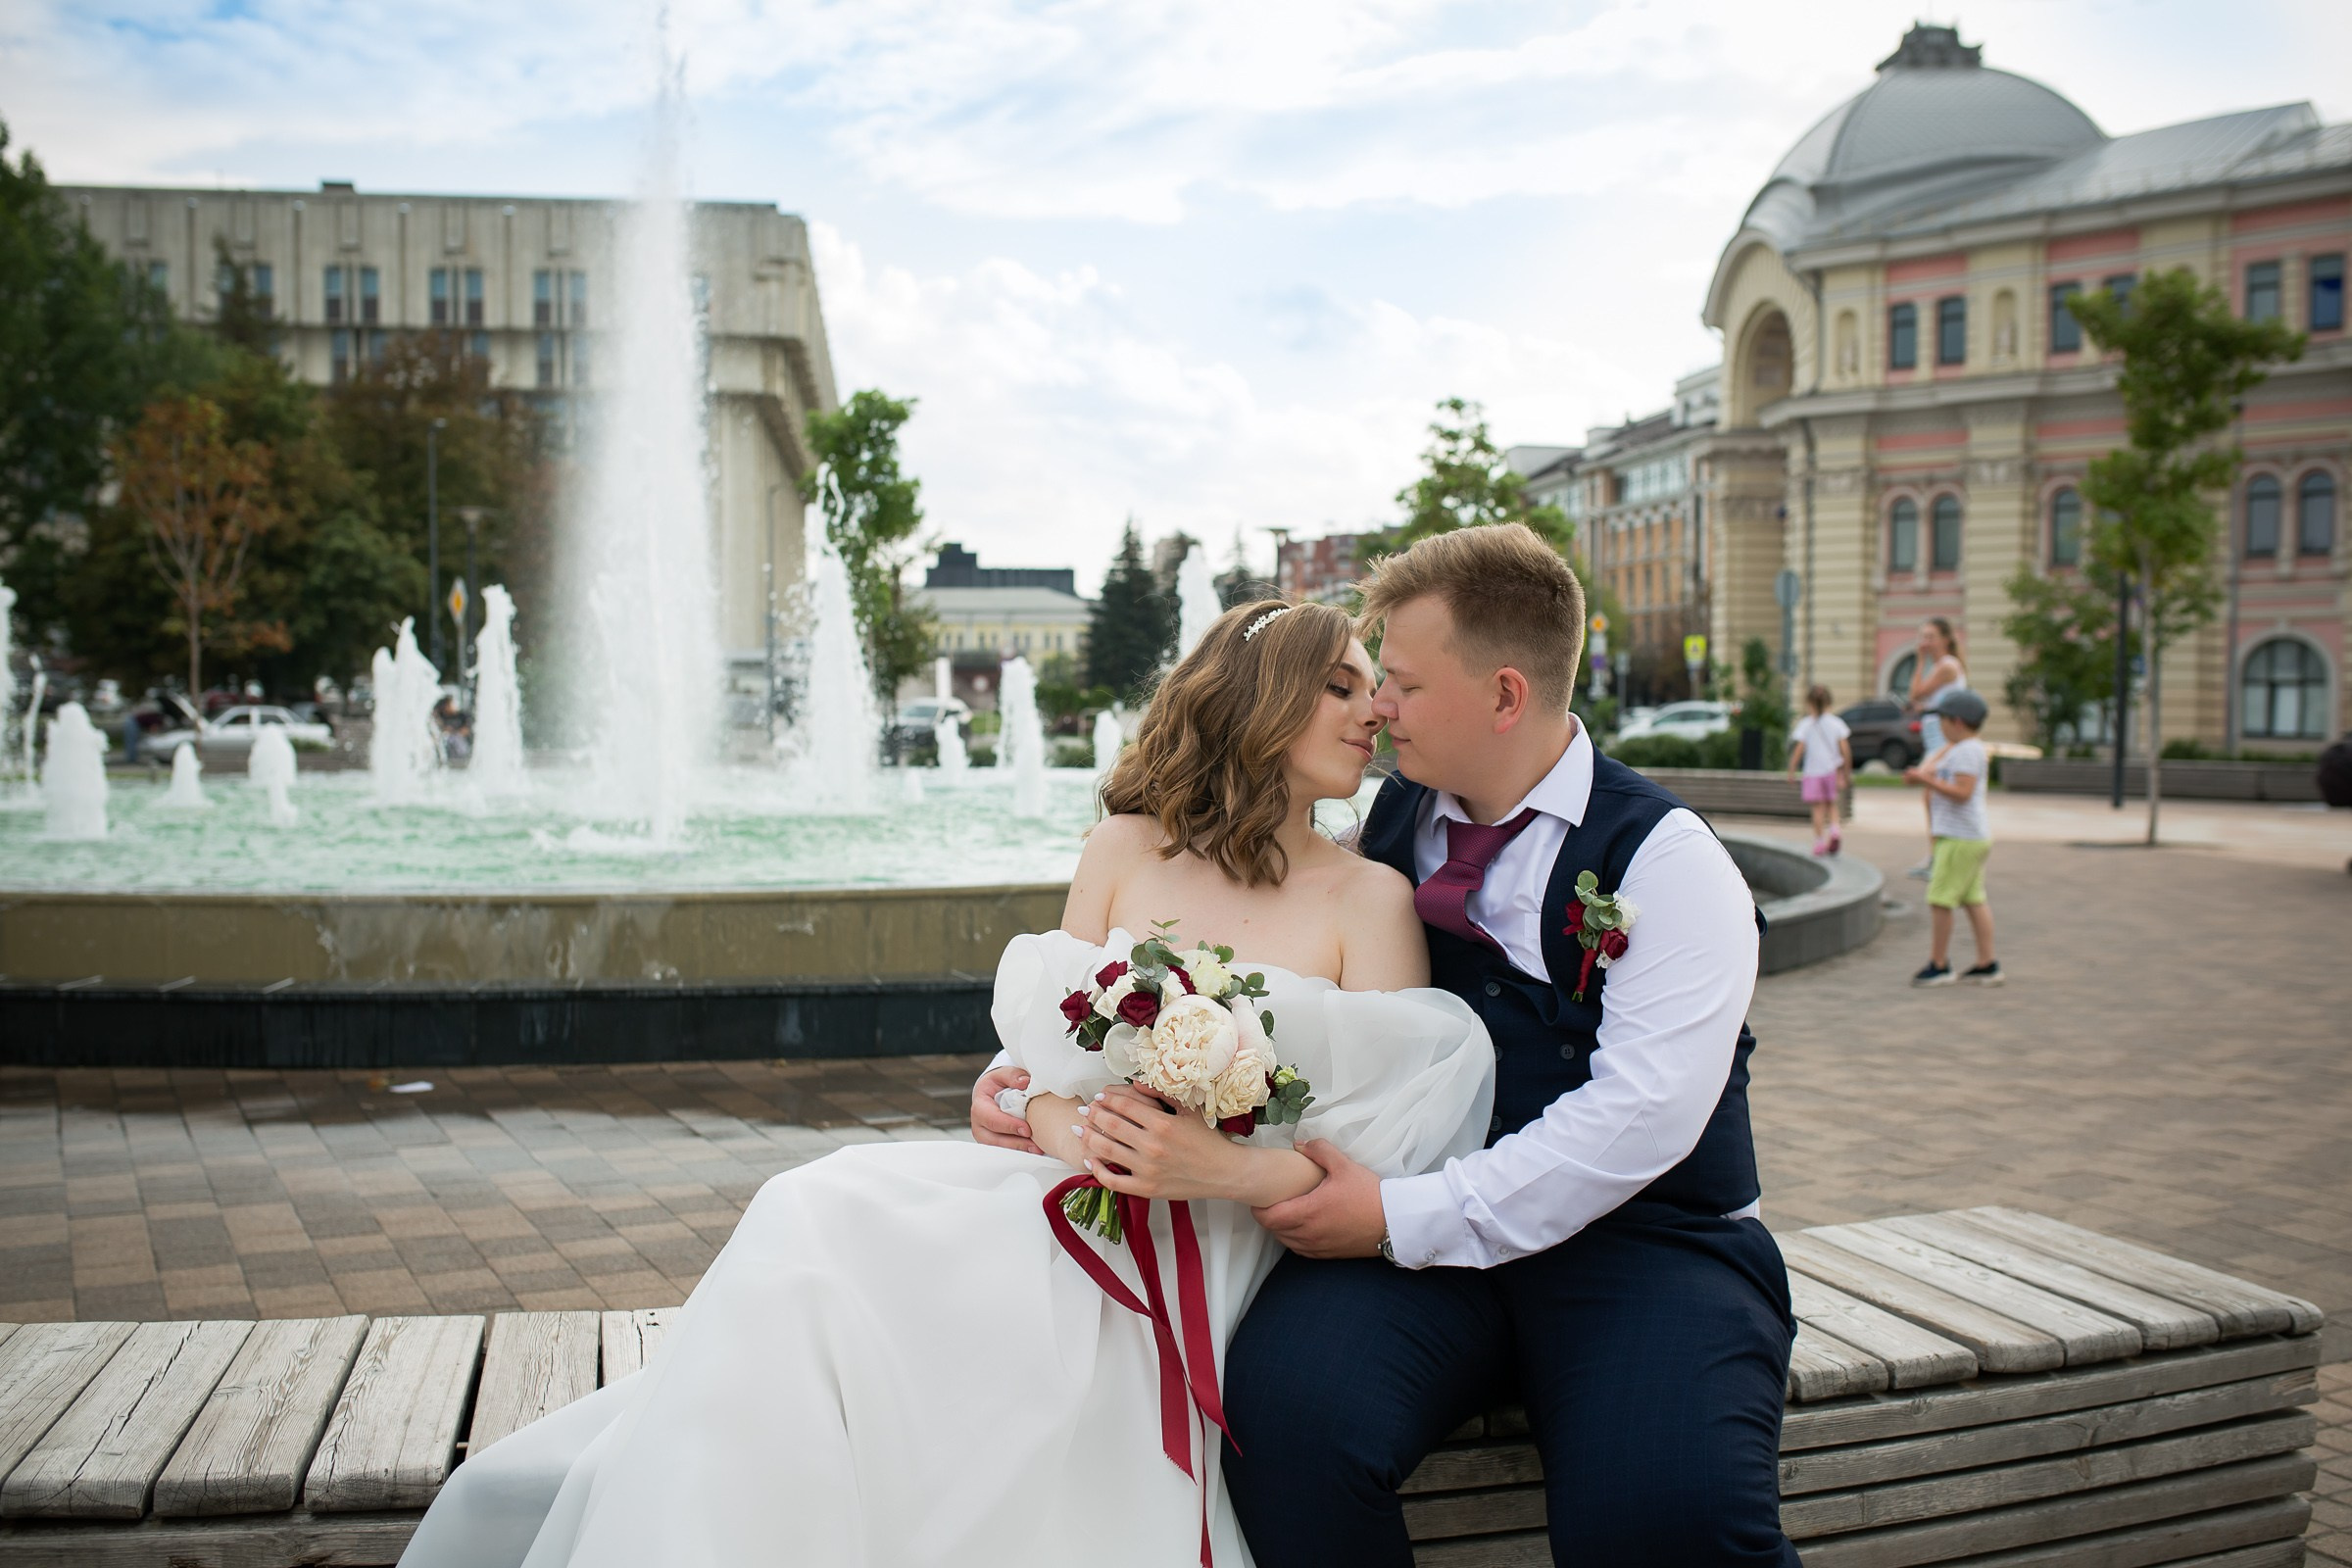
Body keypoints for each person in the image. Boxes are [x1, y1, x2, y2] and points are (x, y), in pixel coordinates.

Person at [398, 599, 1495, 1568]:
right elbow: (1047, 1066)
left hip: (1215, 1244)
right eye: (1341, 685)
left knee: (910, 1320)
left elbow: (1387, 1151)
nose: (1374, 713)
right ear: (1259, 698)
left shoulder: (1371, 900)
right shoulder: (1121, 848)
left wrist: (1218, 1166)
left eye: (1375, 688)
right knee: (813, 1212)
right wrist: (1051, 1121)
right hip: (1069, 1191)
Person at [981, 524, 1798, 1565]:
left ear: (1504, 696)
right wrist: (1025, 1087)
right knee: (1285, 1425)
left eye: (1399, 682)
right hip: (1419, 1248)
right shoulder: (1393, 824)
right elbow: (1235, 963)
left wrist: (1395, 1212)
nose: (1378, 706)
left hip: (1641, 1245)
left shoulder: (1670, 863)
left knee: (1662, 1520)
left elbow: (1645, 1115)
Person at [1902, 687, 2000, 987]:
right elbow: (1932, 772)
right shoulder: (1960, 748)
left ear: (1957, 722)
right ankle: (1987, 963)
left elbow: (1963, 793)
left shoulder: (1968, 752)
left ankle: (1940, 964)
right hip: (1967, 837)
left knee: (1940, 899)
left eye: (1942, 720)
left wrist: (1926, 779)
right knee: (1973, 898)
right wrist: (1926, 773)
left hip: (1959, 838)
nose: (1938, 726)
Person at [1904, 617, 1968, 878]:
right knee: (1933, 799)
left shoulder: (1947, 666)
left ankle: (1940, 859)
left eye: (1930, 637)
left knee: (1934, 797)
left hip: (1943, 742)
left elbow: (1915, 693)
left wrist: (1919, 661)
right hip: (1936, 739)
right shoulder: (1942, 666)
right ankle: (1937, 857)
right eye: (1922, 636)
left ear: (1945, 638)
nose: (1925, 642)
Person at [1787, 684, 1852, 856]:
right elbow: (1845, 749)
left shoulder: (1806, 724)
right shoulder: (1837, 723)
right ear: (1829, 702)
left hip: (1813, 772)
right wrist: (1845, 772)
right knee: (1831, 805)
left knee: (1817, 809)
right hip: (1831, 771)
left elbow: (1799, 749)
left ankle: (1819, 843)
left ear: (1809, 703)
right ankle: (1835, 830)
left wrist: (1792, 770)